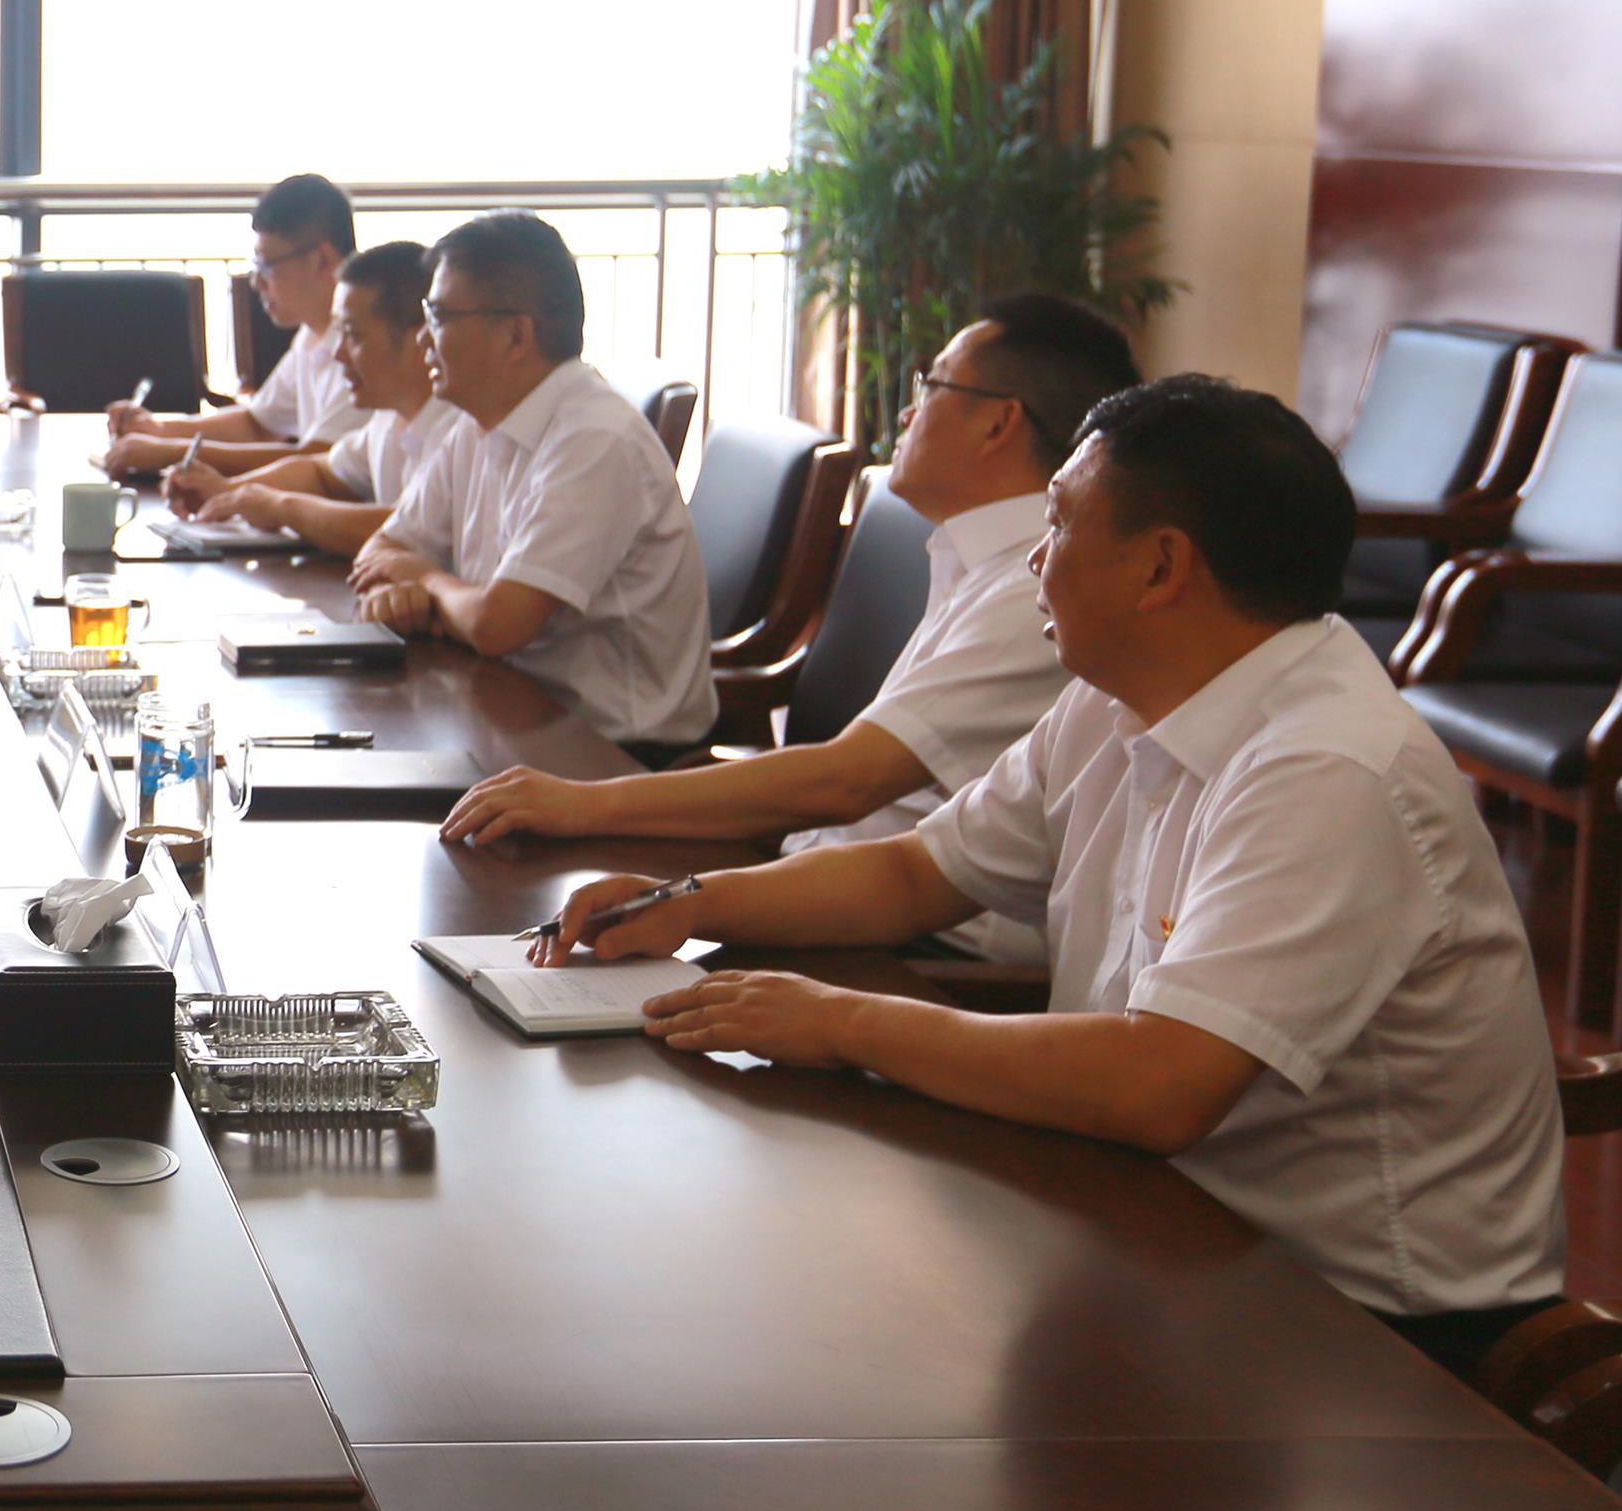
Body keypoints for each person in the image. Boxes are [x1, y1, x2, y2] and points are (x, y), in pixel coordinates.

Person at [542, 376, 1566, 1367]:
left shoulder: (1328, 769)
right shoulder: (1118, 693)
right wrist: (689, 903)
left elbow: (1160, 1086)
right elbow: (916, 873)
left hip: (1365, 1329)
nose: (1034, 557)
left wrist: (842, 1023)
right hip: (1159, 1222)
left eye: (1061, 524)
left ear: (1159, 569)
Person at [439, 293, 1143, 954]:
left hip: (910, 948)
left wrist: (583, 807)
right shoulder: (974, 558)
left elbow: (847, 782)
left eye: (932, 385)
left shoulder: (1035, 593)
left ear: (998, 422)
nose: (906, 410)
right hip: (826, 883)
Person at [348, 212, 714, 758]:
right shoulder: (476, 422)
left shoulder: (594, 439)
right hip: (508, 707)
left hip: (616, 753)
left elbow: (498, 625)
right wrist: (406, 591)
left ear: (516, 336)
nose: (422, 336)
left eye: (439, 315)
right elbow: (380, 553)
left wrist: (426, 581)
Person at [158, 241, 469, 559]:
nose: (338, 353)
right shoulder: (390, 418)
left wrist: (281, 507)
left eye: (353, 335)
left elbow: (405, 531)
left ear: (419, 339)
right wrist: (230, 492)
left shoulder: (459, 423)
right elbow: (323, 473)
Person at [98, 173, 361, 478]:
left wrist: (175, 451)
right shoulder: (312, 335)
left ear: (321, 260)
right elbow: (257, 424)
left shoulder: (362, 345)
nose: (256, 282)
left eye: (266, 266)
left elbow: (319, 463)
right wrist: (157, 430)